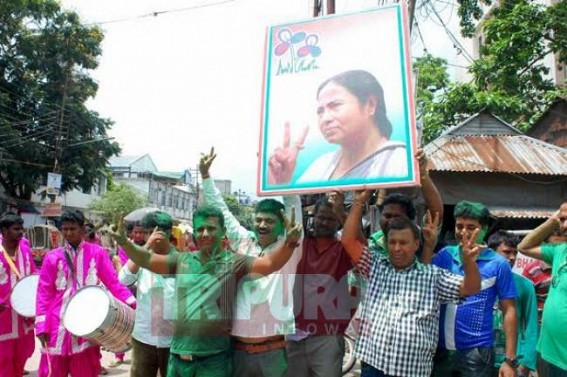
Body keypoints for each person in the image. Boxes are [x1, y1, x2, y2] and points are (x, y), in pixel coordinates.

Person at [111, 204, 302, 377]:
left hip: (214, 362)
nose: (204, 234)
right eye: (200, 229)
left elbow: (269, 263)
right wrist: (125, 243)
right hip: (177, 358)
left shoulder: (236, 262)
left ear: (223, 231)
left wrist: (290, 243)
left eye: (211, 228)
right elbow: (146, 260)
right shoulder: (182, 260)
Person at [340, 190, 481, 377]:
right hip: (373, 366)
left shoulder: (432, 276)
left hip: (412, 370)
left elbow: (471, 288)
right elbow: (348, 240)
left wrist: (469, 263)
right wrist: (358, 202)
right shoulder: (375, 266)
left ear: (416, 244)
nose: (397, 248)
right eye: (392, 242)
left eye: (403, 243)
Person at [199, 148, 303, 377]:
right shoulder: (244, 243)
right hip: (237, 351)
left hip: (273, 353)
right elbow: (222, 212)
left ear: (283, 223)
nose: (262, 225)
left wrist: (284, 177)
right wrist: (205, 177)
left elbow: (293, 202)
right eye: (258, 220)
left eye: (269, 221)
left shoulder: (290, 248)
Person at [35, 209, 136, 377]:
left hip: (89, 324)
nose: (68, 233)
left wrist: (133, 304)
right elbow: (44, 293)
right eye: (65, 229)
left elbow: (113, 283)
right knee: (53, 371)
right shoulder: (52, 257)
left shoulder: (98, 253)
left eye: (72, 229)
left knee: (86, 371)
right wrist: (41, 326)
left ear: (83, 230)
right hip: (56, 324)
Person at [268, 69, 407, 185]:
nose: (325, 119)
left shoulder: (400, 161)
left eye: (335, 106)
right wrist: (282, 183)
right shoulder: (321, 166)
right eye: (320, 111)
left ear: (370, 105)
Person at [431, 201, 518, 377]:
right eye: (459, 226)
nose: (463, 232)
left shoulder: (498, 264)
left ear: (484, 229)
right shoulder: (445, 255)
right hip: (440, 350)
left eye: (471, 227)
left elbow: (509, 310)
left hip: (477, 352)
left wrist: (509, 360)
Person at [286, 192, 354, 377]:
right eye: (321, 217)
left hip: (327, 337)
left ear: (338, 222)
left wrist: (341, 210)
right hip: (294, 334)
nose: (324, 222)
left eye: (331, 219)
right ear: (313, 217)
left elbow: (357, 241)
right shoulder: (299, 246)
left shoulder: (343, 249)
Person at [119, 211, 177, 377]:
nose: (147, 237)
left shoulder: (182, 260)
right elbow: (123, 279)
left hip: (172, 339)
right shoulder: (141, 257)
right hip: (143, 337)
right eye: (145, 232)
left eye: (151, 232)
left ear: (167, 233)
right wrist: (146, 248)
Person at [517, 201, 567, 376]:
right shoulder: (560, 251)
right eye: (563, 220)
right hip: (551, 353)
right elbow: (523, 247)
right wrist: (553, 220)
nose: (565, 225)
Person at [488, 230, 538, 377]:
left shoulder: (525, 285)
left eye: (515, 253)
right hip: (483, 360)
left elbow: (531, 326)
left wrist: (526, 363)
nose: (512, 257)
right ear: (491, 253)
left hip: (514, 363)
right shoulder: (481, 282)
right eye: (507, 252)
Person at [0, 212, 36, 377]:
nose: (21, 232)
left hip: (23, 318)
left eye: (22, 229)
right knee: (3, 359)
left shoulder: (25, 248)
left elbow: (33, 275)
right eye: (16, 229)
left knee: (22, 356)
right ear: (4, 231)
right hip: (3, 318)